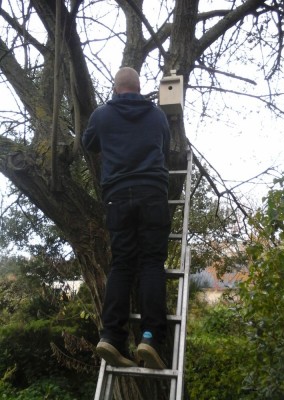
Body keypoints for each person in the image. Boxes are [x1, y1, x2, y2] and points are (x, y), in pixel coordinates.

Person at [82, 67, 171, 369]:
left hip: (118, 195)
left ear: (115, 88)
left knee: (122, 263)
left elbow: (88, 143)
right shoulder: (157, 115)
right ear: (139, 87)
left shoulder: (102, 115)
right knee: (151, 263)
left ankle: (111, 336)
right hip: (152, 193)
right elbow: (166, 147)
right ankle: (150, 338)